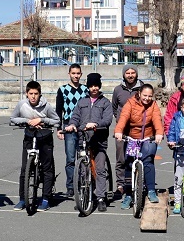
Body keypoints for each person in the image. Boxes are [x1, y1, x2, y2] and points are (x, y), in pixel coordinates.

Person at [64, 73, 113, 211]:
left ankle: (101, 197)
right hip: (83, 139)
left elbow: (108, 120)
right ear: (88, 87)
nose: (94, 88)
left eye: (96, 85)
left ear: (100, 86)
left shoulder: (105, 102)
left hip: (99, 140)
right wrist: (72, 125)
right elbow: (75, 117)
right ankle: (83, 197)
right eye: (91, 86)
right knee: (83, 170)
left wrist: (96, 124)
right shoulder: (82, 102)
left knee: (100, 169)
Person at [10, 80, 60, 211]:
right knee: (24, 169)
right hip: (29, 137)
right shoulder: (22, 104)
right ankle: (22, 199)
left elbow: (57, 121)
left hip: (45, 138)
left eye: (36, 94)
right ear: (26, 94)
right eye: (31, 93)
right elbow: (13, 118)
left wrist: (42, 120)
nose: (33, 96)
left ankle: (45, 198)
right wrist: (28, 121)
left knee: (47, 169)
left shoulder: (47, 106)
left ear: (40, 94)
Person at [114, 83, 164, 209]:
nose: (147, 98)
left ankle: (151, 190)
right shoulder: (130, 103)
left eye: (150, 96)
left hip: (148, 137)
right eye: (145, 95)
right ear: (139, 93)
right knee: (129, 163)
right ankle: (129, 195)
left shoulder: (153, 105)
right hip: (133, 137)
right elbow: (123, 117)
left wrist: (159, 134)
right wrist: (118, 131)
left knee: (148, 161)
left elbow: (157, 120)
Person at [56, 63, 88, 198]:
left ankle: (82, 183)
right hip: (68, 126)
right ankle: (70, 186)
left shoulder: (85, 90)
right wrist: (59, 128)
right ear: (69, 74)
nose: (76, 75)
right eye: (73, 73)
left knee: (82, 156)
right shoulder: (63, 90)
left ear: (81, 74)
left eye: (78, 73)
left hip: (83, 126)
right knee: (70, 158)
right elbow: (59, 110)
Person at [111, 64, 144, 196]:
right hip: (122, 129)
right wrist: (120, 121)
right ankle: (120, 184)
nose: (130, 75)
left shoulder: (142, 89)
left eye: (133, 73)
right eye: (128, 73)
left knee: (137, 157)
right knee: (121, 157)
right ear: (124, 75)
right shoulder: (118, 90)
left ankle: (138, 183)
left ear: (136, 74)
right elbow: (114, 107)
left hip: (137, 129)